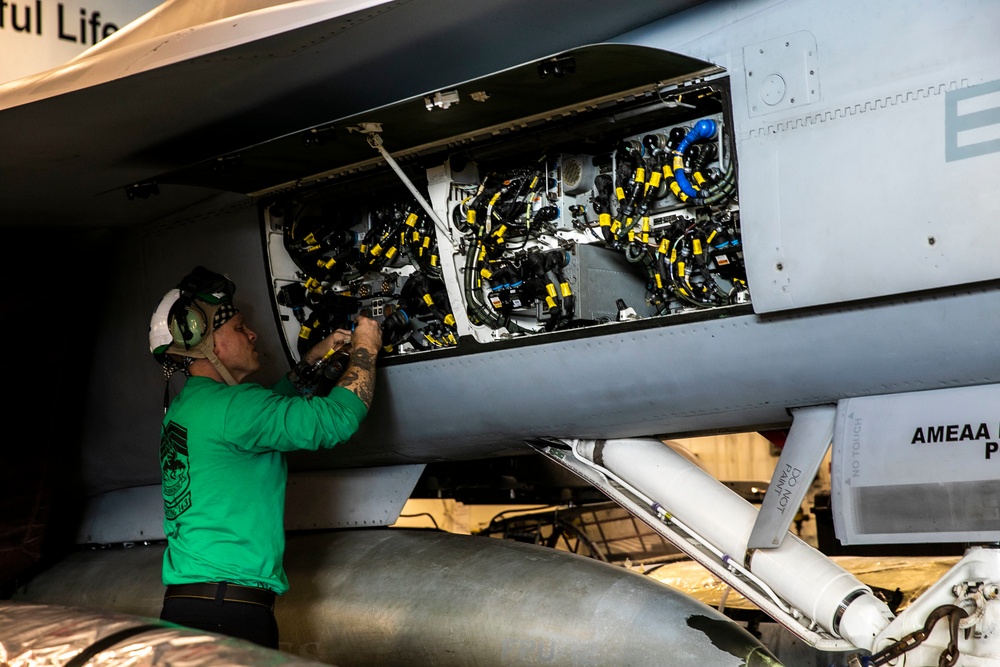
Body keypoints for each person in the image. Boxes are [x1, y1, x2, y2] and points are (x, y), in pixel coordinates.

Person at [148, 266, 382, 649]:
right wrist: (366, 347)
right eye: (240, 327)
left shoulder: (189, 408)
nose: (253, 334)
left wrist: (309, 364)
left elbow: (260, 419)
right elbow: (336, 421)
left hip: (189, 608)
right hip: (228, 616)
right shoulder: (235, 407)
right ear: (208, 342)